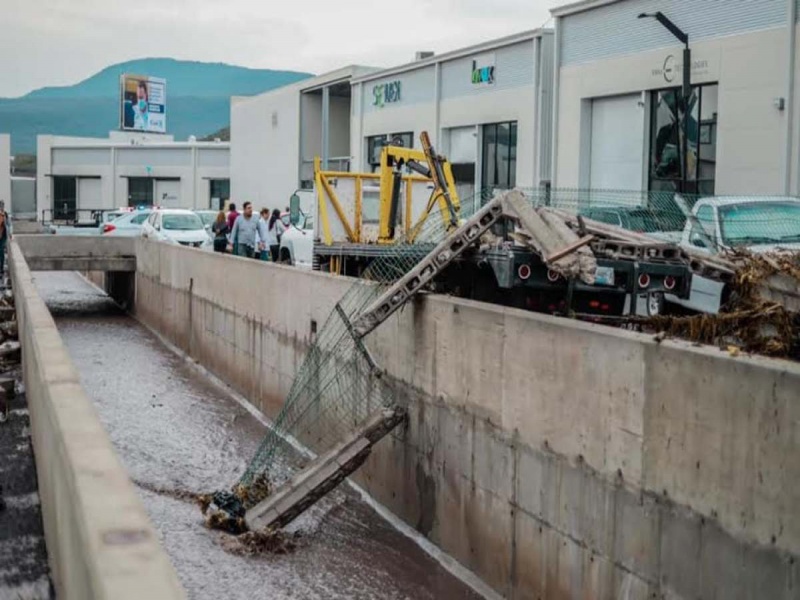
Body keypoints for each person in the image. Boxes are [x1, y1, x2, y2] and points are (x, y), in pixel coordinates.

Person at [0, 212, 11, 279]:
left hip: (3, 236)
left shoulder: (5, 215)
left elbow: (9, 225)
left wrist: (10, 233)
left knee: (1, 251)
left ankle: (1, 268)